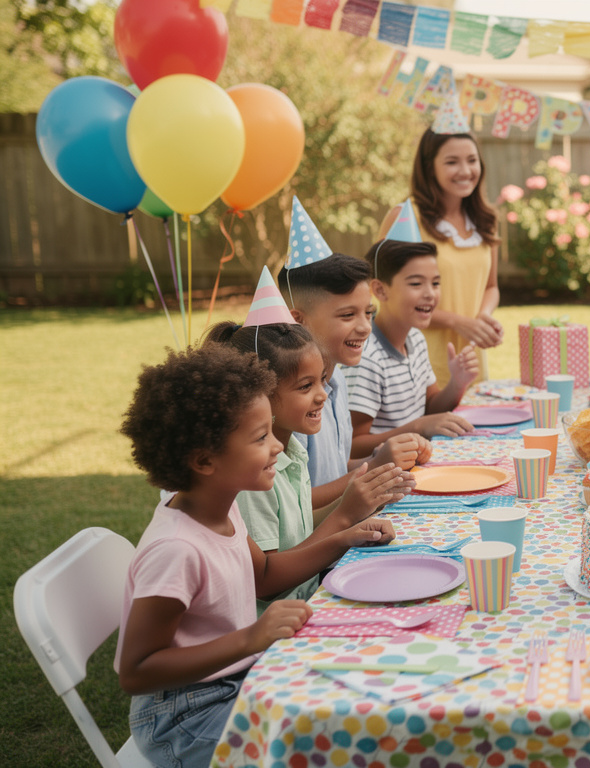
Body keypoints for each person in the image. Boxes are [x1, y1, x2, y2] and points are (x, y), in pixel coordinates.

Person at [116, 344, 395, 768]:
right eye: (261, 437)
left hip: (236, 677)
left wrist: (346, 537)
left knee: (358, 690)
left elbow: (263, 573)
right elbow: (136, 672)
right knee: (327, 745)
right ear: (205, 460)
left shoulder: (222, 505)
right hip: (183, 715)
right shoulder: (176, 550)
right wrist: (251, 638)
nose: (277, 448)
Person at [205, 320, 413, 604]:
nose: (323, 394)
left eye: (322, 380)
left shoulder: (290, 448)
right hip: (275, 627)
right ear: (261, 396)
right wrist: (344, 517)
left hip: (310, 599)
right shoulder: (252, 476)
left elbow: (298, 527)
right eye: (306, 386)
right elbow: (268, 584)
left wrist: (358, 508)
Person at [277, 253, 431, 508]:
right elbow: (296, 503)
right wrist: (374, 468)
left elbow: (335, 470)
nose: (365, 327)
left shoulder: (337, 378)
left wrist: (376, 460)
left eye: (368, 313)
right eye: (348, 315)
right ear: (298, 321)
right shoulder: (291, 400)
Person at [379, 130, 503, 386]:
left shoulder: (486, 221)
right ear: (428, 167)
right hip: (417, 362)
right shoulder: (404, 218)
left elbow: (491, 287)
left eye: (471, 160)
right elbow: (387, 295)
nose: (465, 170)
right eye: (451, 162)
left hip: (471, 362)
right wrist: (457, 322)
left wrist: (483, 318)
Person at [346, 239, 478, 459]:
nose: (430, 294)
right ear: (380, 290)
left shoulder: (415, 338)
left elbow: (431, 407)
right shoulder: (367, 358)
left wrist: (458, 383)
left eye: (435, 283)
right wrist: (418, 427)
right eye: (416, 284)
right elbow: (352, 445)